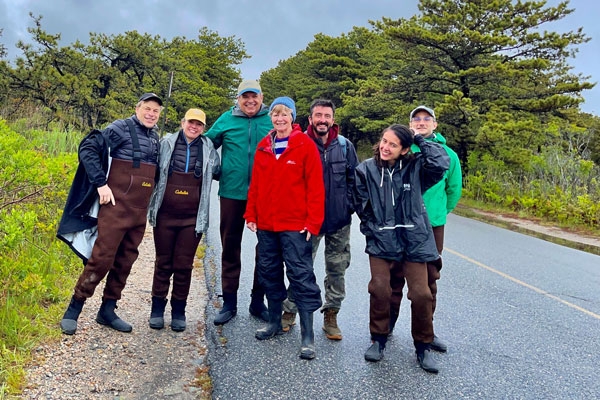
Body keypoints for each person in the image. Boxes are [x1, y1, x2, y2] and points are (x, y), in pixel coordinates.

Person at [57, 92, 162, 335]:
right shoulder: (120, 128)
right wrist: (100, 184)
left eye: (155, 111)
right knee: (102, 258)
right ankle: (74, 308)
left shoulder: (156, 139)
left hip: (138, 214)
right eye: (147, 108)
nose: (151, 114)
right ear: (137, 108)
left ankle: (107, 310)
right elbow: (87, 148)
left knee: (126, 261)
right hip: (115, 209)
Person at [353, 124, 449, 373]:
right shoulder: (365, 169)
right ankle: (379, 338)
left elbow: (441, 162)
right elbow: (361, 206)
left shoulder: (417, 167)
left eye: (393, 144)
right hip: (382, 241)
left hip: (414, 240)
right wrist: (373, 230)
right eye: (384, 141)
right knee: (381, 288)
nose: (385, 147)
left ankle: (423, 346)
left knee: (421, 294)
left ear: (405, 149)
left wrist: (419, 138)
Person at [244, 97, 324, 360]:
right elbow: (255, 184)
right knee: (269, 272)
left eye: (285, 114)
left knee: (301, 276)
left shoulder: (304, 146)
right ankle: (274, 322)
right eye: (276, 114)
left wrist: (313, 222)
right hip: (267, 223)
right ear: (271, 118)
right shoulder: (264, 147)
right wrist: (251, 213)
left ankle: (307, 336)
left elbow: (315, 188)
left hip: (295, 225)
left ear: (293, 118)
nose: (280, 119)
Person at [281, 99, 359, 341]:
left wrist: (348, 206)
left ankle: (331, 315)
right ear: (310, 119)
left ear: (333, 119)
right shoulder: (299, 144)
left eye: (327, 116)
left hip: (339, 222)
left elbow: (355, 182)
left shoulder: (345, 146)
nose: (322, 120)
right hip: (306, 222)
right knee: (300, 268)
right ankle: (289, 311)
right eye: (318, 115)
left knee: (337, 270)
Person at [205, 80, 273, 325]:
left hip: (265, 195)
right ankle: (229, 302)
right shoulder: (226, 119)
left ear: (261, 97)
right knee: (230, 247)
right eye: (245, 97)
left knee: (266, 250)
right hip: (232, 193)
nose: (250, 101)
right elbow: (206, 144)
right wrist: (216, 169)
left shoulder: (270, 120)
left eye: (254, 96)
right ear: (238, 99)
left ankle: (257, 301)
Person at [147, 108, 221, 332]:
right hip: (165, 215)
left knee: (183, 265)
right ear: (183, 122)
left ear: (203, 128)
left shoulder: (209, 149)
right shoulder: (166, 143)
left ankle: (179, 310)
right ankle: (157, 309)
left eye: (199, 124)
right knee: (163, 263)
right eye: (191, 122)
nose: (194, 127)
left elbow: (218, 171)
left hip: (193, 219)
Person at [404, 105, 463, 352]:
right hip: (404, 222)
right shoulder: (404, 150)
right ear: (410, 124)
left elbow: (453, 190)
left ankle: (427, 331)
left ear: (435, 124)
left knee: (429, 280)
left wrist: (439, 211)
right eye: (416, 119)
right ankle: (382, 333)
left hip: (432, 225)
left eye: (426, 119)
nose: (421, 122)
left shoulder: (448, 154)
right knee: (395, 278)